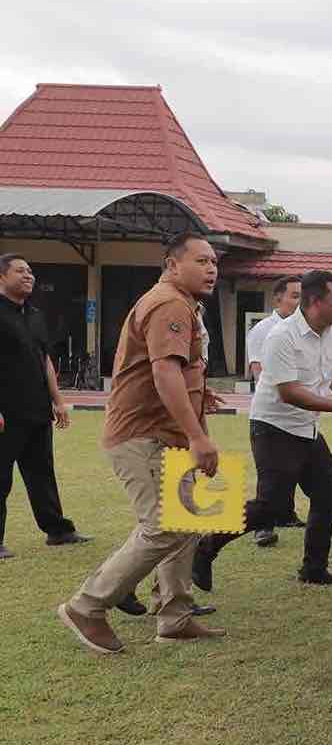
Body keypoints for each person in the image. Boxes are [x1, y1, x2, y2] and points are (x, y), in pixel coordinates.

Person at [58, 233, 227, 653]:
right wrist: (198, 436)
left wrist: (199, 394)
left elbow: (175, 370)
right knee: (164, 525)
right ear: (172, 265)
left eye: (214, 262)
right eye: (201, 261)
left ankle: (175, 616)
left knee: (185, 522)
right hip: (144, 434)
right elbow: (164, 372)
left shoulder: (182, 303)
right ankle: (87, 606)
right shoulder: (169, 303)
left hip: (163, 433)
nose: (211, 269)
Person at [192, 270, 332, 589]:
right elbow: (289, 392)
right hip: (274, 427)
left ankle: (314, 569)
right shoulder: (281, 335)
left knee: (328, 495)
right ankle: (207, 545)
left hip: (307, 427)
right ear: (315, 301)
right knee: (272, 507)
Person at [0, 253, 90, 561]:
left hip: (37, 411)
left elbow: (45, 360)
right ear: (2, 277)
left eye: (30, 271)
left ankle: (58, 530)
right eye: (20, 271)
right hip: (5, 414)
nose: (28, 275)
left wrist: (59, 401)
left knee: (42, 473)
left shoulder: (36, 314)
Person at [244, 274, 304, 548]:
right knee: (269, 474)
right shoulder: (264, 330)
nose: (299, 301)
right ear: (277, 298)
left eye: (302, 296)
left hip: (298, 410)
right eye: (294, 296)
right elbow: (259, 371)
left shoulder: (301, 327)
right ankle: (262, 528)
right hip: (273, 412)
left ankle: (286, 515)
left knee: (293, 467)